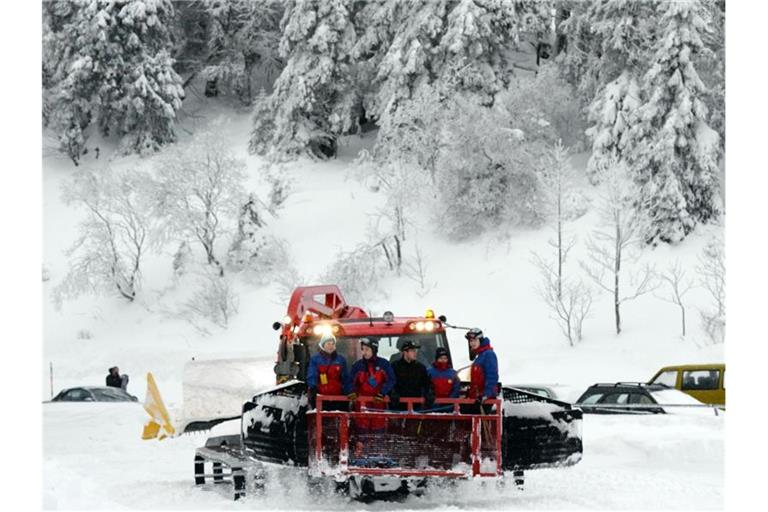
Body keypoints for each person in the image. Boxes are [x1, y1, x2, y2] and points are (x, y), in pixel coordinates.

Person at [348, 338, 396, 456]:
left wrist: (382, 393)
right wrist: (352, 392)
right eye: (363, 349)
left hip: (378, 402)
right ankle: (359, 455)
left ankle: (378, 454)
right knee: (361, 427)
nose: (364, 352)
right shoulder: (357, 365)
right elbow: (350, 381)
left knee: (378, 427)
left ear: (374, 350)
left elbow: (391, 380)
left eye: (367, 349)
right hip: (362, 403)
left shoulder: (383, 364)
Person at [306, 333, 351, 410]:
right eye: (328, 344)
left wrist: (348, 392)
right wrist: (313, 389)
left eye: (333, 344)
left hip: (338, 398)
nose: (331, 346)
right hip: (321, 398)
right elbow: (312, 375)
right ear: (323, 345)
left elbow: (346, 378)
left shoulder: (341, 360)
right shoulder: (315, 360)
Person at [390, 339, 432, 411]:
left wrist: (429, 394)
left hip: (417, 408)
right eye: (412, 351)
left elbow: (427, 384)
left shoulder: (421, 368)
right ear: (405, 352)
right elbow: (389, 383)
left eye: (416, 351)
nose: (415, 353)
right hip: (398, 408)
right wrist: (392, 393)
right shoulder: (394, 367)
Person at [465, 328, 498, 412]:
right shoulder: (479, 356)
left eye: (474, 340)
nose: (472, 343)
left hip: (484, 399)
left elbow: (492, 376)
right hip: (477, 398)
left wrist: (486, 395)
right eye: (470, 341)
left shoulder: (488, 354)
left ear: (480, 339)